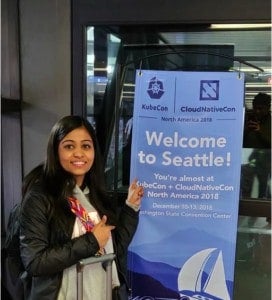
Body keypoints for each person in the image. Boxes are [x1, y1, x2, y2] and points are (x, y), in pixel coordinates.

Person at [19, 115, 144, 300]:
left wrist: (130, 208)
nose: (79, 153)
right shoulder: (40, 197)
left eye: (86, 146)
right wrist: (91, 241)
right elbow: (35, 261)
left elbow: (112, 249)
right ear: (55, 150)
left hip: (102, 292)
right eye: (69, 146)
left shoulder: (95, 195)